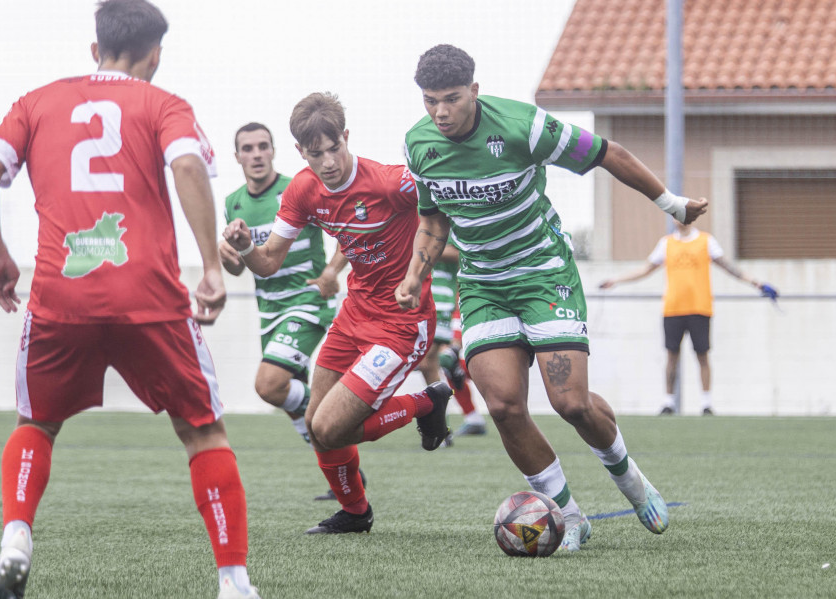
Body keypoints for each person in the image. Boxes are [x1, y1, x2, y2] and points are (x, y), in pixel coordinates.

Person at [0, 2, 260, 597]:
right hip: (149, 297)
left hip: (61, 294)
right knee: (203, 431)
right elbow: (185, 163)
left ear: (94, 47)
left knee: (37, 423)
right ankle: (233, 582)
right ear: (156, 53)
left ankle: (16, 539)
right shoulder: (164, 104)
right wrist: (210, 265)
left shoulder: (36, 101)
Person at [398, 44, 708, 552]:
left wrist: (672, 204)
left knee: (570, 403)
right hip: (484, 284)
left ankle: (631, 481)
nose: (441, 112)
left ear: (474, 91)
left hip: (545, 275)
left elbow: (610, 154)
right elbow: (432, 219)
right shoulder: (419, 144)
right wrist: (415, 276)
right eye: (431, 101)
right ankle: (567, 515)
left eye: (452, 99)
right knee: (503, 406)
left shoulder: (524, 126)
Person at [223, 92, 452, 535]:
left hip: (402, 325)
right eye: (315, 153)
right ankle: (355, 513)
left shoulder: (390, 182)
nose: (328, 162)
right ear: (300, 153)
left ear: (346, 137)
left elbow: (440, 214)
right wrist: (245, 246)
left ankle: (427, 401)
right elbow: (268, 262)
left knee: (331, 426)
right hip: (353, 315)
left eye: (334, 148)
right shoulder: (302, 190)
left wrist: (414, 275)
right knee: (315, 423)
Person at [219, 122, 363, 501]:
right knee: (286, 399)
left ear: (273, 151)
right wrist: (227, 254)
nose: (256, 154)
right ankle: (345, 473)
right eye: (247, 148)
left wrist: (332, 272)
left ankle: (335, 409)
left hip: (307, 301)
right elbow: (239, 266)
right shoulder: (233, 202)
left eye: (262, 146)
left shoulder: (297, 188)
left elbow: (350, 230)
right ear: (237, 157)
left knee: (269, 384)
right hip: (269, 309)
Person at [599, 220, 778, 415]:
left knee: (702, 355)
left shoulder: (706, 241)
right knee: (671, 356)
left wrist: (757, 283)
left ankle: (706, 404)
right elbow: (645, 269)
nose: (679, 219)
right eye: (675, 214)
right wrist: (615, 280)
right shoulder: (666, 243)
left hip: (699, 307)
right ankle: (668, 403)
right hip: (673, 308)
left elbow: (729, 268)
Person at [416, 244, 487, 439]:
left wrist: (417, 246)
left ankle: (441, 428)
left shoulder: (442, 219)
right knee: (429, 364)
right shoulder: (412, 218)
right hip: (417, 294)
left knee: (437, 362)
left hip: (441, 297)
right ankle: (446, 426)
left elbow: (463, 252)